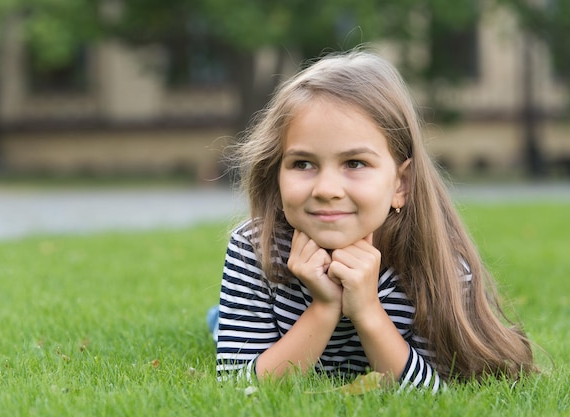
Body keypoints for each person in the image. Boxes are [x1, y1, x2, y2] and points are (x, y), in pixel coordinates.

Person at [214, 49, 535, 391]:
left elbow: (435, 394)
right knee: (221, 323)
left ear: (401, 184)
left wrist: (367, 310)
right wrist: (324, 309)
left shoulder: (435, 262)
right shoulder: (254, 248)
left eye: (354, 163)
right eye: (303, 164)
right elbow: (238, 386)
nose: (326, 189)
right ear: (277, 172)